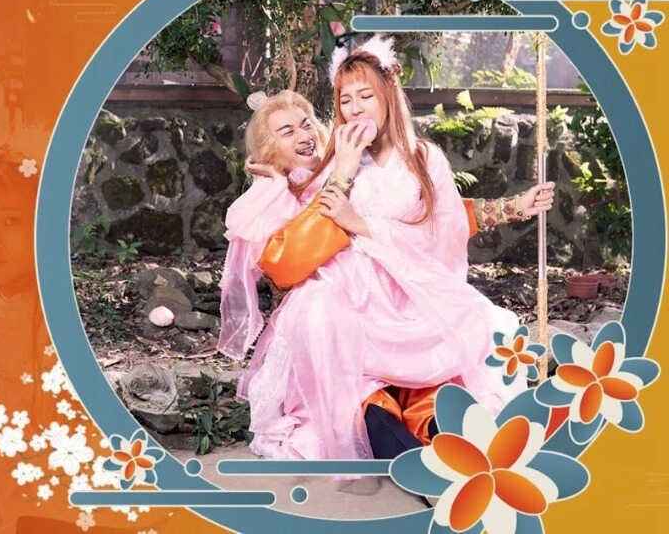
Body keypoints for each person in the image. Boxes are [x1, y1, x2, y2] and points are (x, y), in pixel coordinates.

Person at [219, 35, 544, 461]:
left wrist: (513, 207)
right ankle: (399, 446)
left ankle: (449, 438)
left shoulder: (423, 158)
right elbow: (291, 234)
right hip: (350, 295)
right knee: (332, 333)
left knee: (475, 330)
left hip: (406, 287)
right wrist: (279, 174)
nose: (354, 109)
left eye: (365, 96)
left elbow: (441, 223)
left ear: (388, 95)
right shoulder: (334, 161)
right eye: (345, 100)